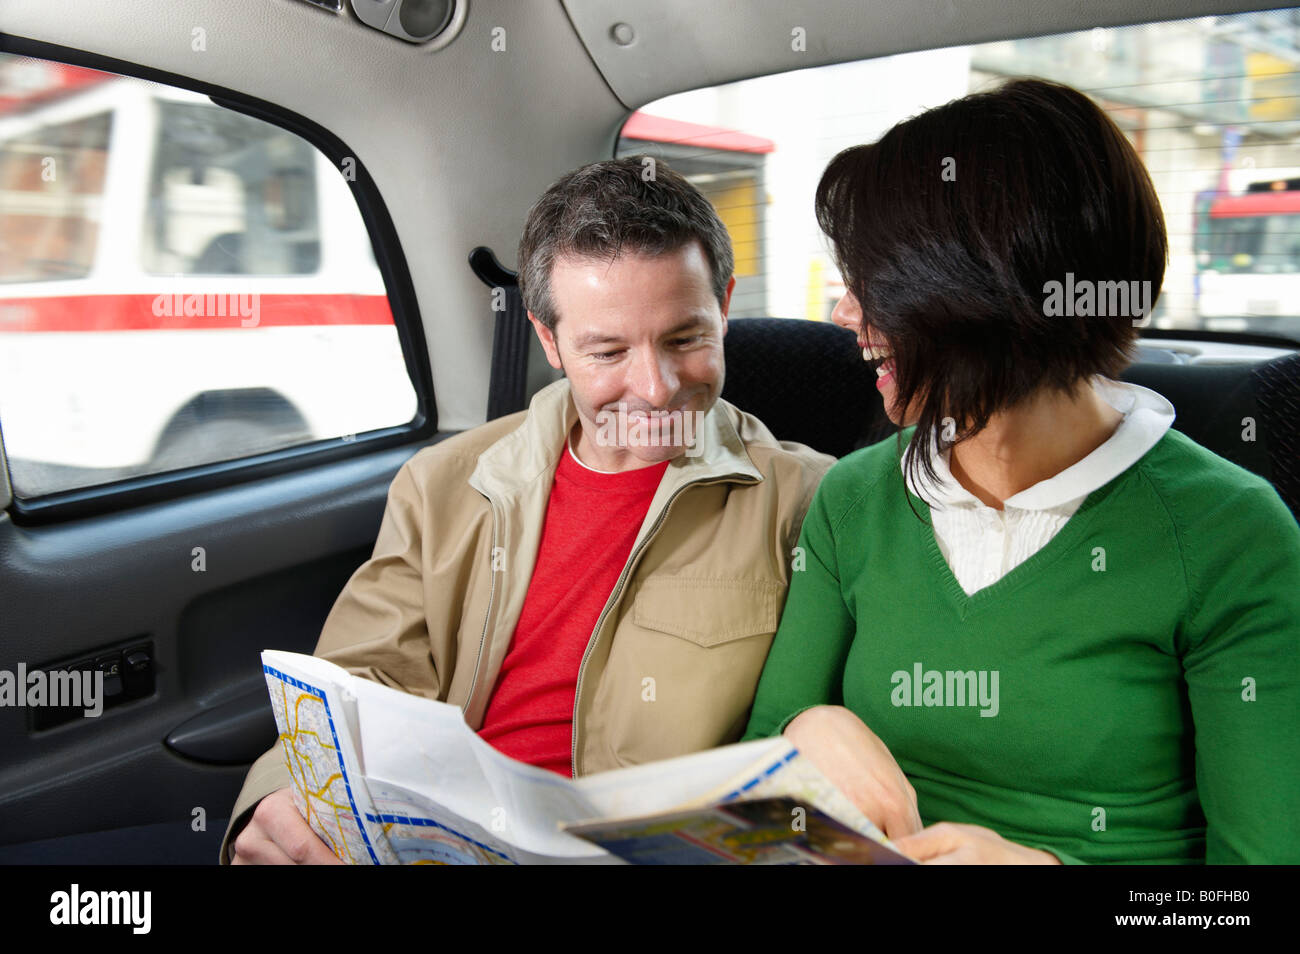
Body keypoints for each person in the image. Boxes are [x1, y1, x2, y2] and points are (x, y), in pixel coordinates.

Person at [742, 78, 1300, 864]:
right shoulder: (855, 497)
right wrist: (806, 726)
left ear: (979, 297)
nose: (845, 313)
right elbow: (762, 754)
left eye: (874, 285)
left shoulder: (1231, 534)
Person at [222, 156, 834, 864]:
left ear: (725, 305)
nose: (657, 388)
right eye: (607, 351)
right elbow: (356, 692)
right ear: (548, 340)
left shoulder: (809, 502)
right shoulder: (444, 484)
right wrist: (278, 798)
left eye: (686, 339)